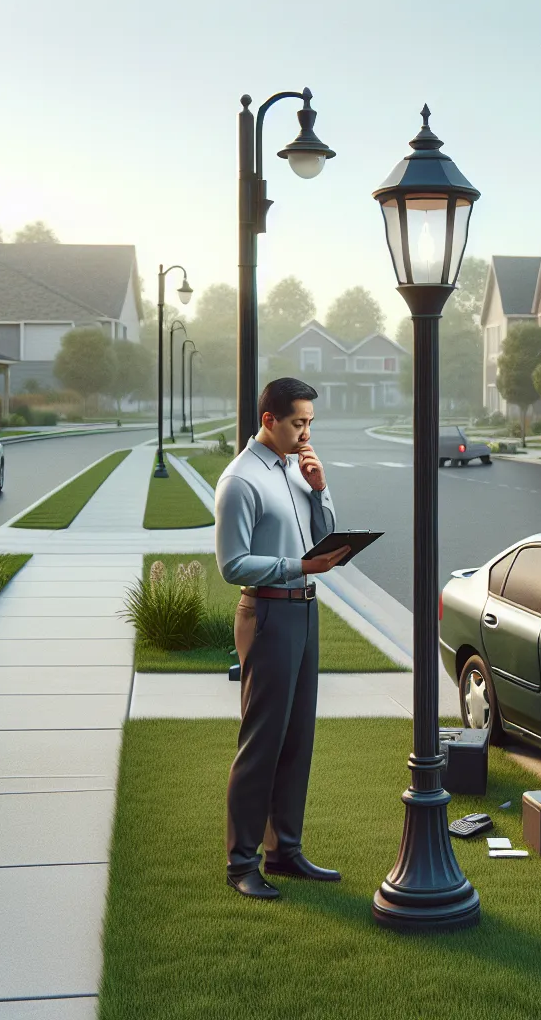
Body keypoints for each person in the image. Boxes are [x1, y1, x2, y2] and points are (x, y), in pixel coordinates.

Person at [214, 377, 350, 900]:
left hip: (304, 613)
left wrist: (321, 488)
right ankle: (241, 863)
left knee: (298, 739)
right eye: (298, 423)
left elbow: (322, 536)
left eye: (310, 423)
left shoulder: (297, 467)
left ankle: (285, 851)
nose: (306, 433)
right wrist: (299, 565)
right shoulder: (241, 481)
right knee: (262, 744)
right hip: (266, 614)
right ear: (268, 419)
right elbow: (231, 563)